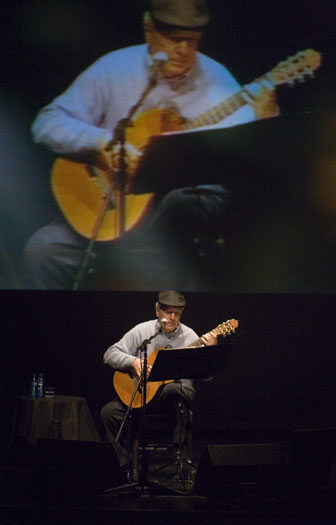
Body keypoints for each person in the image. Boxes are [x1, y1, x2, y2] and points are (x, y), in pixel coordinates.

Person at [23, 0, 279, 290]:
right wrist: (101, 143)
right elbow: (46, 123)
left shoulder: (217, 80)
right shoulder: (115, 68)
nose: (183, 50)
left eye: (191, 41)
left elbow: (239, 157)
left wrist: (263, 118)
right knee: (43, 248)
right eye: (173, 40)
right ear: (149, 31)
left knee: (186, 199)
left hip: (172, 226)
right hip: (109, 206)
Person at [100, 289, 218, 478]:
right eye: (167, 312)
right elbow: (110, 354)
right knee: (109, 412)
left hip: (173, 397)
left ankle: (178, 457)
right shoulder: (143, 331)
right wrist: (133, 362)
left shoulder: (190, 337)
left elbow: (207, 375)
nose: (172, 317)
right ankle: (123, 467)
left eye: (177, 313)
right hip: (143, 395)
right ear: (157, 311)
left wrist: (210, 353)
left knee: (174, 389)